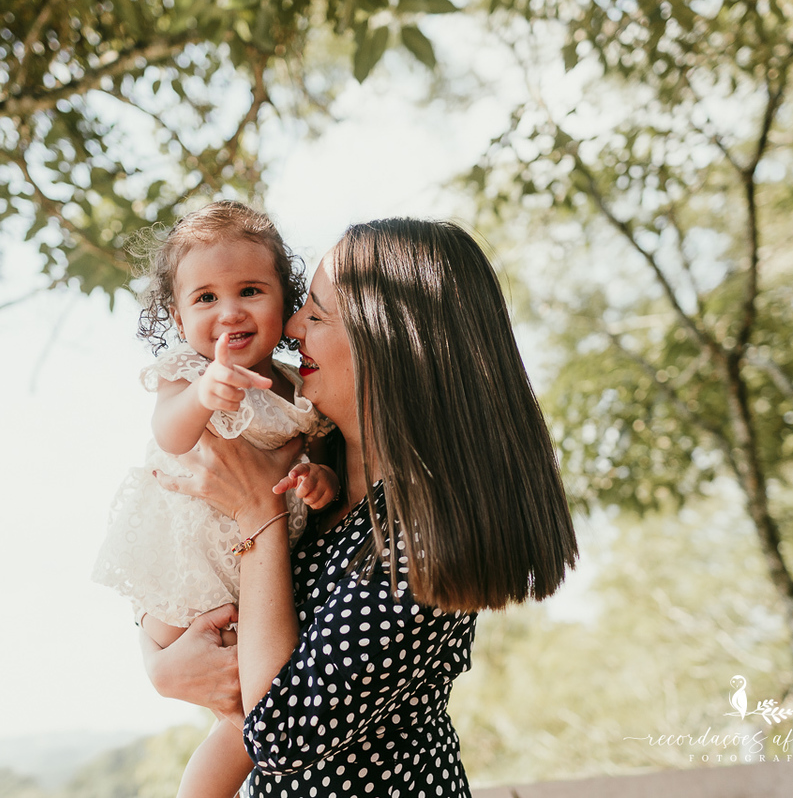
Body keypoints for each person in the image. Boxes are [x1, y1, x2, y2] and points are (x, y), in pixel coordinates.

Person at [148, 217, 579, 796]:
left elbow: (281, 734)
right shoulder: (316, 477)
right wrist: (159, 663)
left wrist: (260, 516)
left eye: (318, 315)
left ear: (386, 344)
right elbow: (182, 554)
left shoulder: (421, 535)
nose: (294, 325)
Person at [91, 201, 339, 798]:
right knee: (229, 703)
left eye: (250, 290)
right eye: (205, 298)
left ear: (286, 301)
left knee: (244, 724)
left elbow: (322, 464)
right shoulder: (185, 373)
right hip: (184, 568)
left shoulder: (303, 388)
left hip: (252, 580)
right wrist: (204, 394)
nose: (229, 312)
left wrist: (319, 483)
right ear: (178, 318)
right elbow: (170, 435)